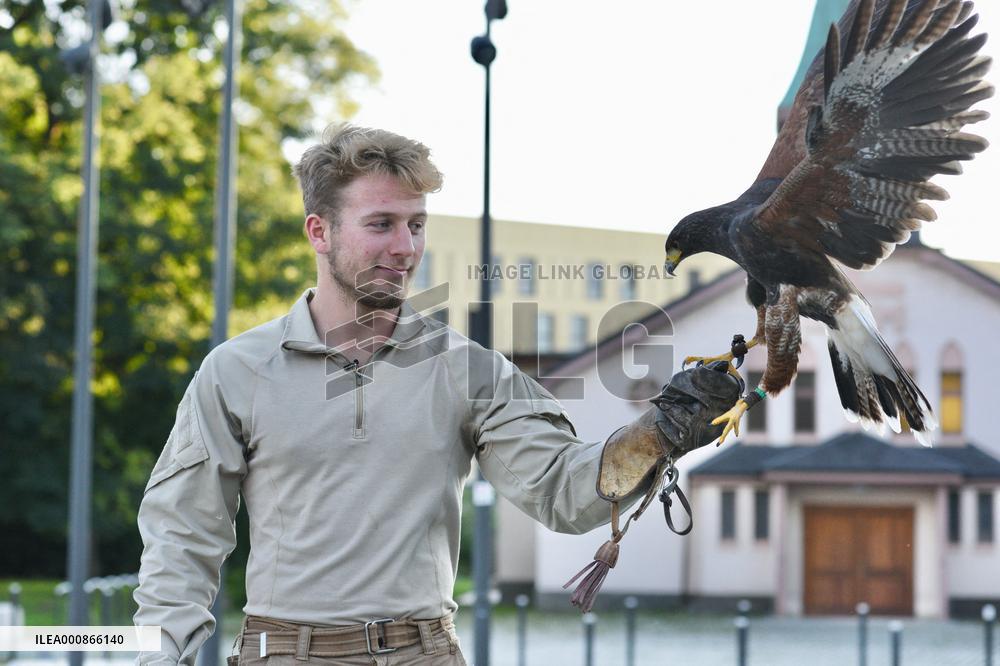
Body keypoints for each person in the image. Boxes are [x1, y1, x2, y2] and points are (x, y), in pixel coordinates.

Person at [133, 124, 740, 665]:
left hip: (421, 652)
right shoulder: (236, 371)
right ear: (319, 231)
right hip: (281, 652)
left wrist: (657, 433)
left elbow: (561, 489)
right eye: (382, 225)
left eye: (416, 225)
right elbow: (181, 537)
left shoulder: (470, 370)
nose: (405, 247)